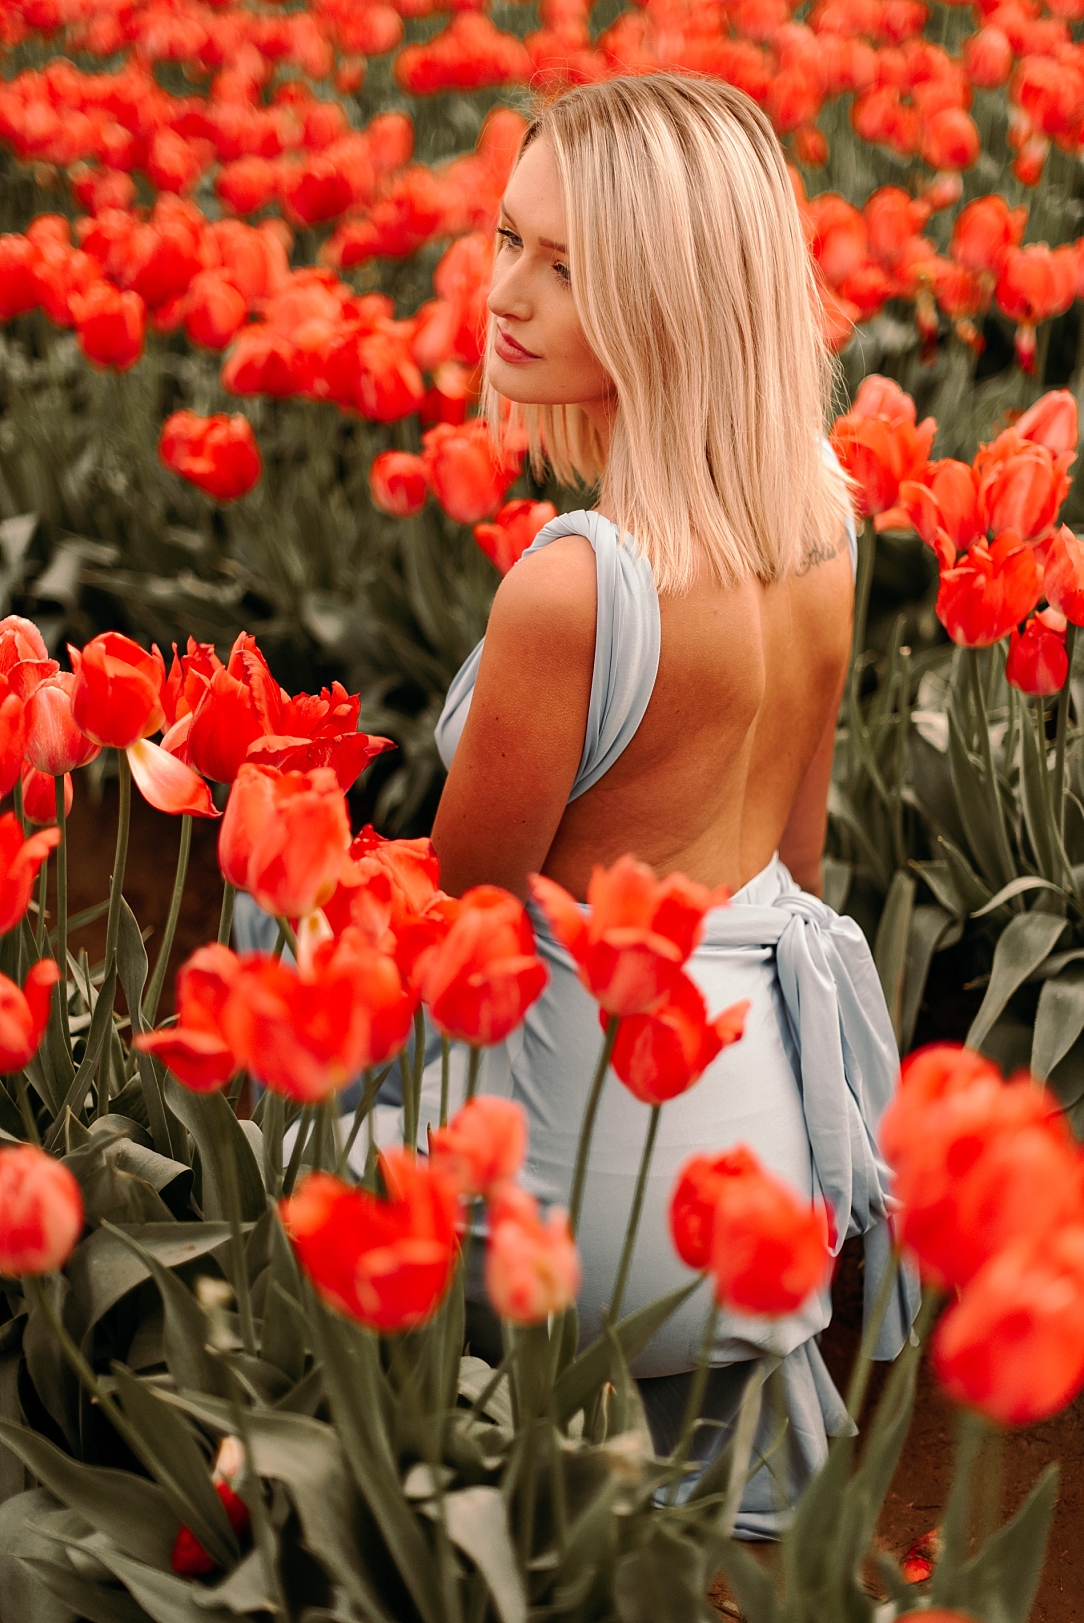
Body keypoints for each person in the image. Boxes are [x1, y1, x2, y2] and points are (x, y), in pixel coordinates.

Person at [428, 72, 918, 1534]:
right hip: (778, 1180)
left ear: (668, 301)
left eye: (566, 268)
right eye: (509, 238)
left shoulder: (577, 583)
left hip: (603, 1203)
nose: (505, 293)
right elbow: (804, 854)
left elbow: (460, 934)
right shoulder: (824, 520)